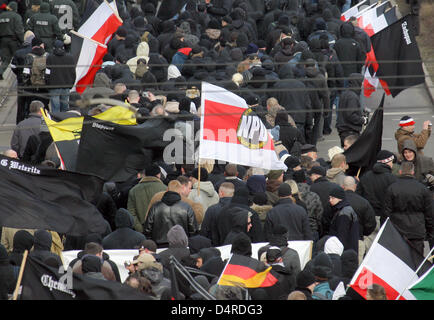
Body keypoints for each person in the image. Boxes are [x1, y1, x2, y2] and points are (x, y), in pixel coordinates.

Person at [384, 161, 433, 255]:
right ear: (413, 172)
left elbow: (386, 212)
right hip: (417, 231)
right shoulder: (422, 189)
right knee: (416, 262)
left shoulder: (392, 188)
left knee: (399, 260)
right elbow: (429, 213)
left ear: (400, 172)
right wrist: (429, 232)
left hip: (397, 231)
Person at [144, 181, 198, 247]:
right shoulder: (186, 207)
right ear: (180, 191)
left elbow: (147, 229)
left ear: (167, 190)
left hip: (159, 245)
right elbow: (193, 230)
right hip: (181, 246)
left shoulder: (155, 207)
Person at [342, 176, 376, 263]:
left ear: (343, 186)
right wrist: (362, 233)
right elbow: (371, 223)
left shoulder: (337, 201)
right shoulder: (363, 202)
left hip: (339, 239)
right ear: (355, 186)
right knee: (356, 268)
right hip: (357, 240)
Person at [127, 163, 167, 232]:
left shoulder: (133, 191)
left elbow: (131, 213)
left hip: (142, 230)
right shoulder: (165, 189)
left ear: (145, 174)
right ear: (158, 175)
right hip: (161, 230)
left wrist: (140, 229)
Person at [336, 73, 366, 147]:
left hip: (344, 129)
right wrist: (362, 120)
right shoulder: (352, 97)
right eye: (362, 81)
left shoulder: (346, 93)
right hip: (350, 130)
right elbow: (351, 115)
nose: (363, 84)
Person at [309, 165, 340, 237]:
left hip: (317, 225)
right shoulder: (335, 187)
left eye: (311, 175)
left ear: (316, 176)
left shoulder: (311, 188)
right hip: (332, 222)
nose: (310, 177)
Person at [45, 40, 76, 113]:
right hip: (66, 86)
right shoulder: (70, 57)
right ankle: (64, 122)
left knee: (55, 108)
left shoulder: (50, 57)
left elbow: (47, 73)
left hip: (53, 86)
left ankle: (56, 122)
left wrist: (47, 85)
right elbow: (73, 73)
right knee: (65, 107)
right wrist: (70, 85)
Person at [328, 186, 360, 254]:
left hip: (344, 251)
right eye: (330, 197)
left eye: (333, 198)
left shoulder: (343, 213)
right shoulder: (344, 210)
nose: (330, 200)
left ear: (340, 199)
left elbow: (342, 235)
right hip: (349, 250)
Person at [0, 1, 24, 80]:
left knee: (5, 59)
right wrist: (22, 40)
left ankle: (0, 72)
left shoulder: (1, 16)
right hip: (14, 40)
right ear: (15, 8)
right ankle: (21, 75)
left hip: (3, 40)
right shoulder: (16, 16)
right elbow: (19, 30)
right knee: (19, 58)